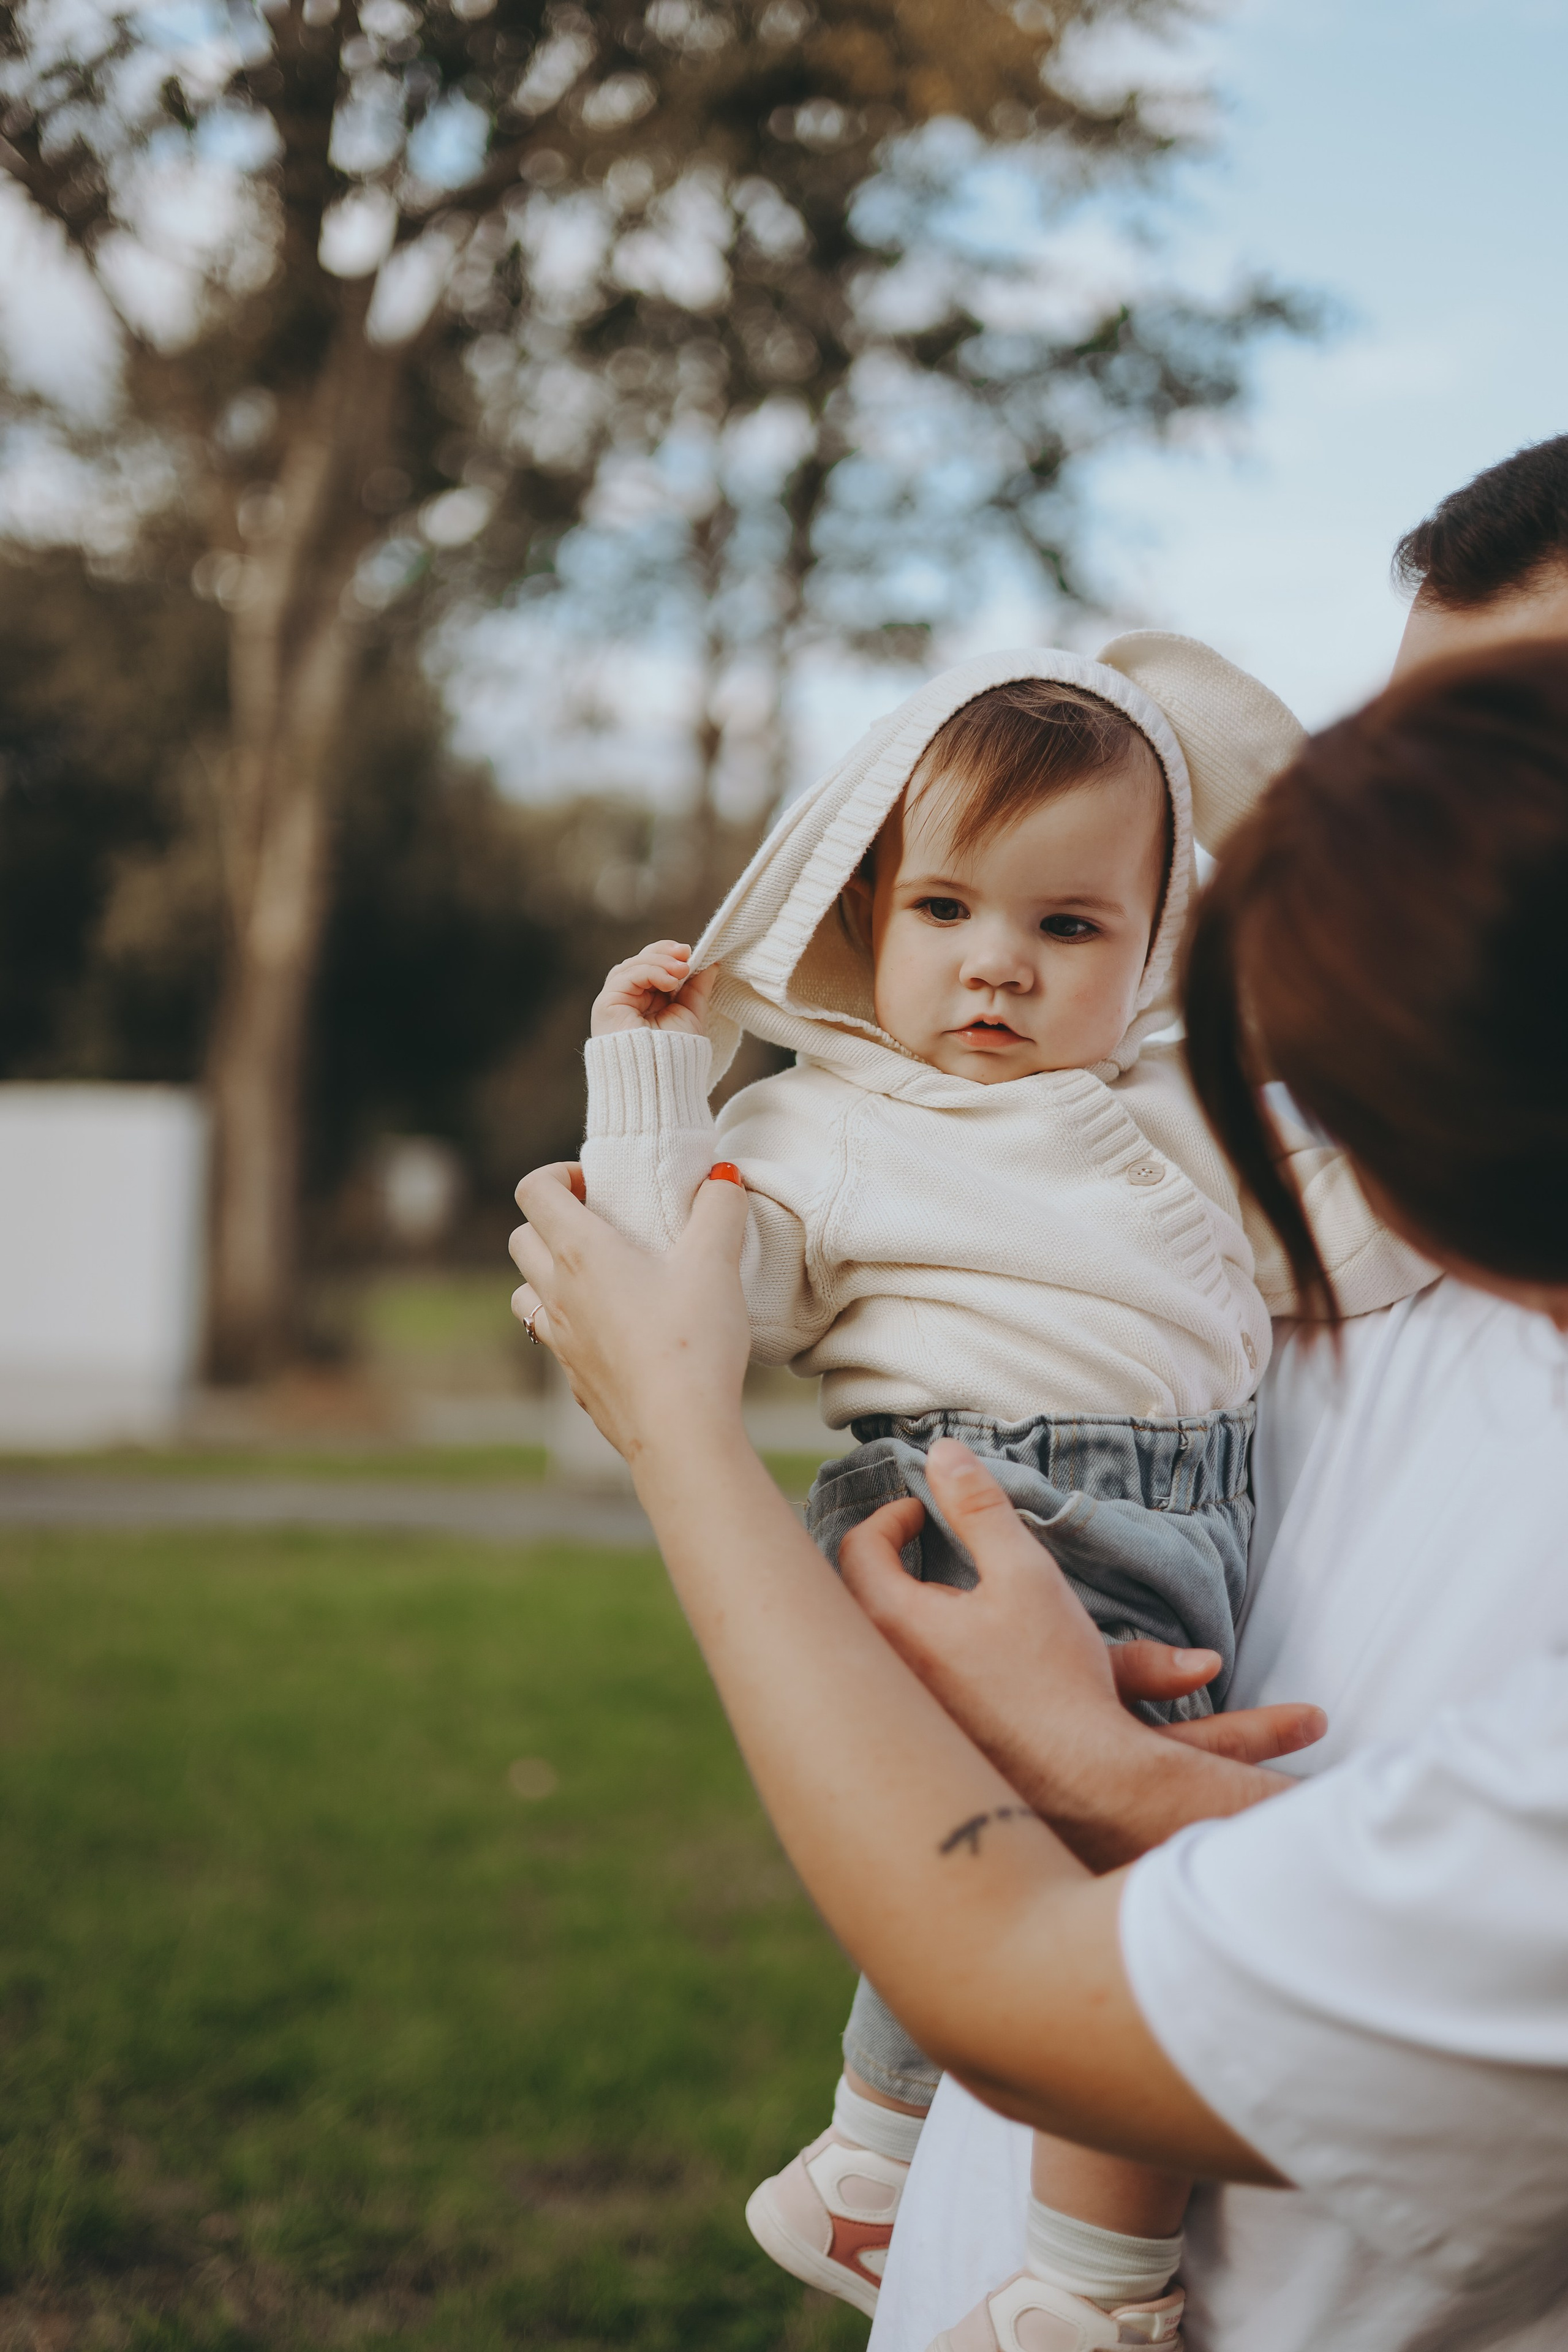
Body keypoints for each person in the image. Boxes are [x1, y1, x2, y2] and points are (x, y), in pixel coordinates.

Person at [511, 633, 1568, 2350]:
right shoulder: (830, 1123)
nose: (996, 964)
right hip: (991, 1495)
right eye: (946, 909)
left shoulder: (1180, 1111)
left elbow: (1358, 1224)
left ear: (1152, 947)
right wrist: (647, 1075)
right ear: (865, 913)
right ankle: (1092, 2283)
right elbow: (674, 1272)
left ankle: (870, 2161)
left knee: (1040, 1823)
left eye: (1068, 927)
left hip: (1181, 1507)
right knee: (1118, 1873)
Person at [867, 432, 1568, 2352]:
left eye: (1512, 754)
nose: (1430, 844)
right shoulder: (1306, 1201)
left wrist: (1085, 1765)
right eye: (1408, 757)